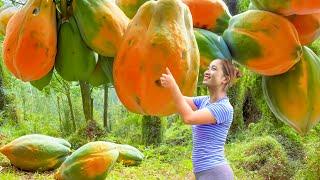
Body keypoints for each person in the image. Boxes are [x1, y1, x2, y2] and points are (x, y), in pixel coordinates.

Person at [160, 59, 241, 180]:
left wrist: (173, 85)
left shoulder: (224, 108)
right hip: (204, 172)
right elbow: (178, 100)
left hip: (216, 173)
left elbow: (189, 118)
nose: (207, 72)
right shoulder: (204, 101)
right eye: (208, 68)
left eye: (213, 69)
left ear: (225, 79)